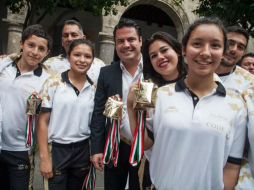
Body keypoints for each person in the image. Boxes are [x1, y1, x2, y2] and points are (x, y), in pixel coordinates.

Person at [127, 17, 247, 190]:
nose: (205, 52)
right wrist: (132, 110)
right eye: (197, 44)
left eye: (215, 45)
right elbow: (145, 144)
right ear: (183, 49)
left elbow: (232, 166)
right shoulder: (161, 95)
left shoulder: (236, 104)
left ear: (222, 52)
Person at [90, 18, 143, 190]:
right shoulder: (106, 73)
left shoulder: (153, 71)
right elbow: (98, 112)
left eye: (131, 39)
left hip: (146, 147)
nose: (126, 45)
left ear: (140, 41)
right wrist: (97, 149)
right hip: (115, 146)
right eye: (120, 41)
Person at [37, 38, 95, 190]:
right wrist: (44, 158)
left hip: (83, 150)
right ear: (69, 56)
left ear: (92, 60)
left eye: (87, 56)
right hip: (57, 150)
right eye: (77, 55)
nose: (82, 60)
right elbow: (42, 122)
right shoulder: (53, 83)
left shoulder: (94, 89)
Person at [0, 24, 51, 190]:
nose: (35, 52)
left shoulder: (48, 81)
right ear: (21, 44)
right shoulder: (4, 67)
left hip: (20, 150)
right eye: (31, 45)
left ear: (47, 53)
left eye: (41, 49)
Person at [141, 31, 186, 189]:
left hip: (190, 167)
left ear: (178, 51)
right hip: (157, 167)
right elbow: (143, 139)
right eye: (153, 56)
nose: (159, 57)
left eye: (164, 50)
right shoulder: (147, 89)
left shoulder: (197, 83)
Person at [214, 26, 254, 189]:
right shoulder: (197, 73)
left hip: (236, 164)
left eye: (241, 47)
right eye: (230, 43)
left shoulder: (249, 83)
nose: (233, 50)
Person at [43, 19, 105, 85]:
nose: (69, 39)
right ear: (62, 41)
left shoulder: (99, 66)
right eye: (66, 35)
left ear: (83, 39)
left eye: (74, 35)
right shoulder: (50, 65)